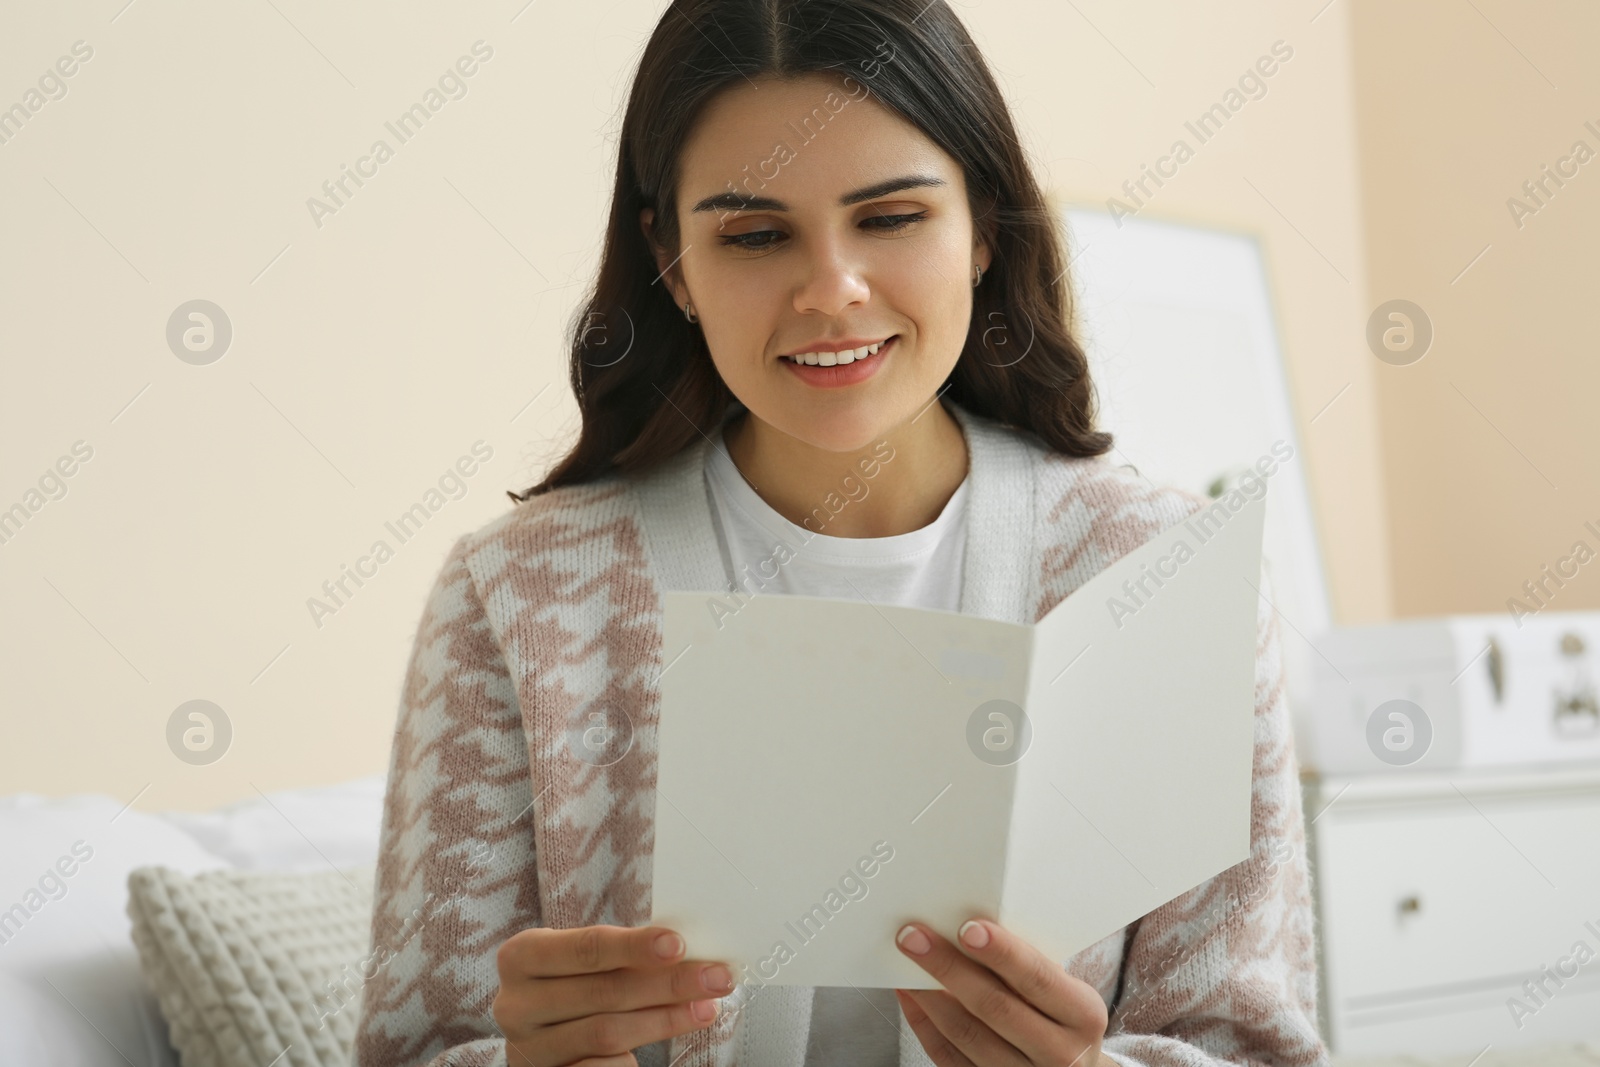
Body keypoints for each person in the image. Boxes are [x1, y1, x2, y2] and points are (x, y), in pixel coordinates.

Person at [352, 1, 1328, 1064]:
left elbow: (1257, 1045)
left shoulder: (1158, 577)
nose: (831, 292)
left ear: (984, 226)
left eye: (892, 217)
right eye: (756, 234)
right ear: (671, 260)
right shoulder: (522, 594)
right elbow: (417, 1045)